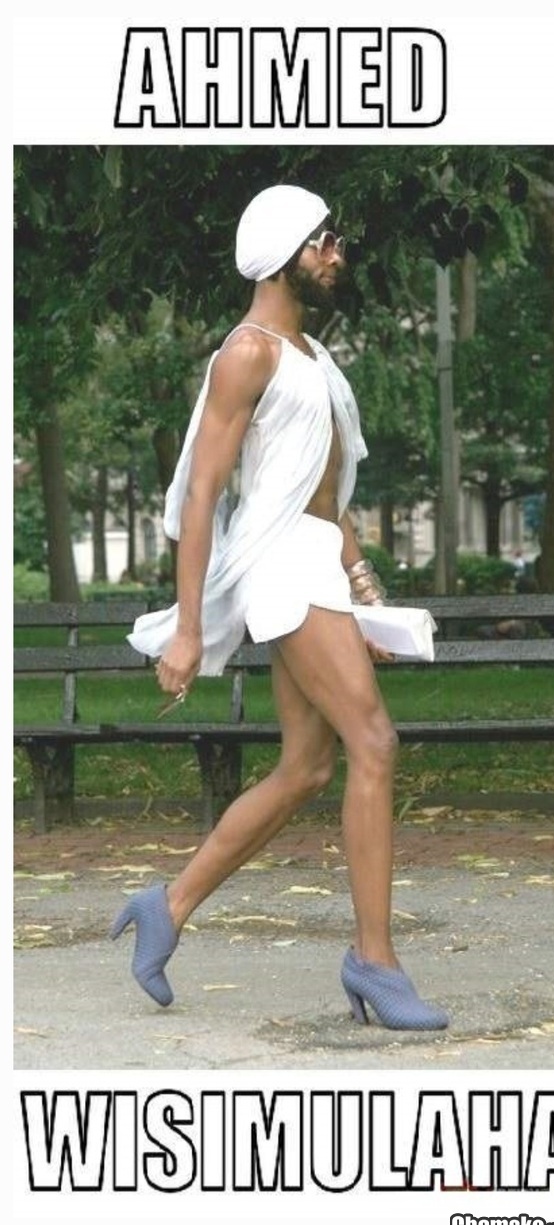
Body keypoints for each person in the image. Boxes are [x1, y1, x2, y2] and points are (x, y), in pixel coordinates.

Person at [111, 185, 449, 1032]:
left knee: (307, 767)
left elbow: (323, 496)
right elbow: (202, 494)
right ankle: (375, 961)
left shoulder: (312, 356)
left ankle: (167, 905)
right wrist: (189, 628)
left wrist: (365, 594)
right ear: (282, 254)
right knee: (374, 741)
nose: (338, 254)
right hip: (279, 568)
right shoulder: (248, 354)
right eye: (323, 241)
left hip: (314, 559)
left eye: (335, 240)